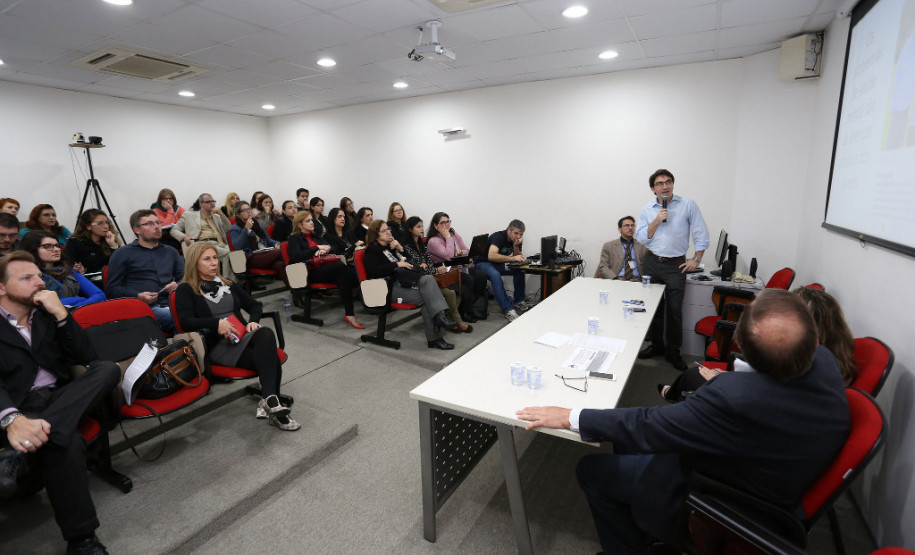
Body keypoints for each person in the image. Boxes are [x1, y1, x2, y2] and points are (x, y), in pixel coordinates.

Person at [516, 290, 850, 554]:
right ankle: (636, 517)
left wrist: (570, 416)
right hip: (768, 475)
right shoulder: (823, 363)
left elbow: (648, 424)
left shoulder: (732, 399)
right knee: (626, 440)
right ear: (813, 339)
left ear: (743, 350)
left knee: (591, 469)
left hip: (717, 501)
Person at [0, 251, 120, 553]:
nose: (39, 282)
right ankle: (82, 541)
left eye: (38, 276)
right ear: (1, 287)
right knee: (66, 442)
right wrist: (12, 418)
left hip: (59, 398)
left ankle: (17, 454)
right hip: (16, 407)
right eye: (27, 278)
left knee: (107, 369)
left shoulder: (46, 314)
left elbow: (86, 357)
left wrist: (62, 315)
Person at [174, 242, 299, 431]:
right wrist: (216, 323)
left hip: (242, 337)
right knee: (270, 356)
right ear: (194, 263)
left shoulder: (227, 284)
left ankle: (270, 401)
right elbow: (185, 322)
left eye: (215, 258)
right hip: (217, 346)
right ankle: (273, 405)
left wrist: (253, 321)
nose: (214, 263)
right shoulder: (186, 289)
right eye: (207, 259)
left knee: (264, 332)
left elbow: (255, 305)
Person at [659, 287, 860, 402]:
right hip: (758, 399)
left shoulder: (806, 366)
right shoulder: (830, 362)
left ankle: (672, 395)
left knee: (694, 376)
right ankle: (674, 394)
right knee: (698, 376)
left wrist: (723, 381)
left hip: (748, 414)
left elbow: (767, 394)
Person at [636, 169, 709, 372]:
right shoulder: (647, 210)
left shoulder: (688, 204)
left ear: (673, 184)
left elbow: (700, 232)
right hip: (652, 262)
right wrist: (657, 220)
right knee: (654, 308)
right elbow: (641, 238)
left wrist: (696, 259)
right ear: (653, 189)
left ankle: (673, 352)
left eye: (668, 182)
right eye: (660, 183)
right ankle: (656, 346)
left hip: (675, 265)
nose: (665, 186)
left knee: (674, 310)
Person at [363, 220, 459, 350]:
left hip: (403, 282)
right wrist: (396, 264)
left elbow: (411, 262)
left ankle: (439, 319)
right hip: (386, 288)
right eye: (384, 231)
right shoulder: (372, 250)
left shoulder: (391, 246)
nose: (388, 232)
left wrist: (401, 248)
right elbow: (374, 271)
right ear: (375, 234)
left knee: (428, 279)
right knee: (427, 299)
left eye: (388, 229)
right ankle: (436, 334)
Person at [106, 210, 184, 332]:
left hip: (172, 302)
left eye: (158, 222)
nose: (156, 227)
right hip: (143, 307)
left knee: (202, 312)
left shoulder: (171, 251)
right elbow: (112, 288)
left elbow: (185, 278)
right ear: (137, 230)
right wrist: (137, 295)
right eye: (149, 224)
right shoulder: (122, 253)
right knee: (182, 318)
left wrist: (177, 285)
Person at [287, 211, 364, 329]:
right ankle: (361, 282)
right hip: (307, 272)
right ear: (300, 225)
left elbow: (331, 248)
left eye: (312, 220)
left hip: (323, 269)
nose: (312, 222)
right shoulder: (294, 239)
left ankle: (350, 314)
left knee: (342, 278)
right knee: (341, 266)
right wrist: (316, 248)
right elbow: (297, 257)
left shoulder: (315, 236)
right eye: (308, 221)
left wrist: (325, 249)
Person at [402, 216, 472, 333]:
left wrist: (433, 269)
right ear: (410, 229)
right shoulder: (407, 248)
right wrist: (433, 269)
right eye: (418, 227)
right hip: (419, 282)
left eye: (422, 226)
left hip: (431, 277)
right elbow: (417, 269)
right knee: (450, 292)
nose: (422, 229)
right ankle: (458, 322)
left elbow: (428, 264)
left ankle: (449, 318)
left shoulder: (423, 245)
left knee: (459, 288)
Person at [426, 212, 486, 322]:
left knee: (481, 276)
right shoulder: (433, 241)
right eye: (442, 223)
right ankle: (463, 312)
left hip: (457, 265)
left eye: (448, 222)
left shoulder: (453, 233)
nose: (446, 225)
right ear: (435, 225)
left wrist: (460, 252)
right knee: (469, 280)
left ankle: (472, 307)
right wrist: (448, 238)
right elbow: (448, 256)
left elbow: (466, 250)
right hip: (444, 270)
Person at [21, 231, 105, 308]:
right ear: (32, 249)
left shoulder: (68, 271)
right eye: (47, 246)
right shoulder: (29, 276)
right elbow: (39, 306)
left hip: (75, 314)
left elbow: (100, 295)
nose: (56, 249)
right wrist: (77, 299)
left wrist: (78, 306)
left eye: (57, 246)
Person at [474, 219, 527, 322]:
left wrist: (516, 245)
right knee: (495, 275)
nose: (518, 236)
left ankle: (519, 300)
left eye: (521, 234)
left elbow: (517, 257)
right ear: (509, 230)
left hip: (497, 263)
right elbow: (491, 256)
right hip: (482, 263)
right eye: (516, 233)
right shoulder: (498, 237)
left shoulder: (517, 240)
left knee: (519, 269)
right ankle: (508, 310)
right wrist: (512, 258)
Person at [170, 193, 233, 276]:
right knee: (228, 253)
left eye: (213, 201)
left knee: (238, 253)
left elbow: (229, 229)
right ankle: (228, 282)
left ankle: (240, 279)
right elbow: (174, 230)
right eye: (209, 202)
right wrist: (184, 236)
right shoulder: (189, 215)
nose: (212, 203)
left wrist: (221, 213)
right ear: (201, 204)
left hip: (221, 244)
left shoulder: (217, 216)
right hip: (203, 244)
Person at [228, 202, 287, 286]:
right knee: (282, 252)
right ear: (238, 214)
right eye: (245, 210)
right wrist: (246, 229)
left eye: (249, 209)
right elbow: (238, 247)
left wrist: (276, 244)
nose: (249, 211)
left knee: (280, 265)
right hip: (250, 257)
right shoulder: (234, 229)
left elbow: (268, 240)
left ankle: (297, 291)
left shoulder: (257, 224)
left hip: (266, 252)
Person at [65, 209, 121, 280]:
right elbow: (67, 266)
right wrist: (76, 268)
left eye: (107, 222)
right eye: (100, 223)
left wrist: (113, 245)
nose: (106, 226)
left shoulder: (109, 240)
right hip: (88, 280)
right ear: (88, 226)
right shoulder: (75, 242)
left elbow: (121, 262)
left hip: (112, 279)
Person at [595, 216, 646, 281]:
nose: (630, 228)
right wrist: (615, 278)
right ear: (619, 229)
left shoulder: (642, 246)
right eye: (627, 225)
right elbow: (603, 266)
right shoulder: (609, 246)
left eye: (632, 225)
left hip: (637, 281)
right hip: (618, 280)